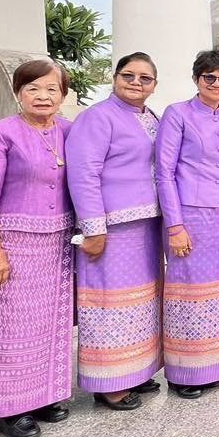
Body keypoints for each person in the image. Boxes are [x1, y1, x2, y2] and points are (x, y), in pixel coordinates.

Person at [0, 59, 75, 437]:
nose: (43, 96)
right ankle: (10, 408)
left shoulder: (69, 130)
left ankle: (45, 395)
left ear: (63, 95)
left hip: (59, 241)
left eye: (51, 89)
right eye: (33, 88)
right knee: (10, 326)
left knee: (51, 323)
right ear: (18, 92)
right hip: (13, 241)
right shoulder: (0, 134)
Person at [66, 52, 163, 411]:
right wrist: (94, 227)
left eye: (145, 78)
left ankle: (134, 371)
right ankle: (109, 383)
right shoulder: (97, 117)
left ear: (155, 84)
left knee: (140, 302)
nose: (136, 83)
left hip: (146, 224)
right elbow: (82, 173)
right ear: (114, 77)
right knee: (109, 304)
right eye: (128, 75)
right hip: (112, 226)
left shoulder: (152, 117)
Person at [156, 51, 219, 398]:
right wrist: (175, 226)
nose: (216, 84)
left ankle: (213, 364)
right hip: (187, 215)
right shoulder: (178, 114)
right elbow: (164, 171)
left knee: (217, 293)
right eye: (209, 77)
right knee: (187, 293)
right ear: (196, 79)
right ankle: (183, 372)